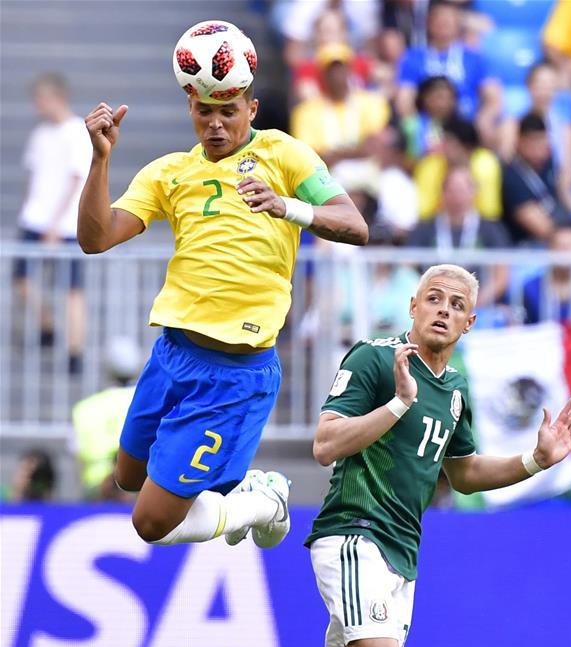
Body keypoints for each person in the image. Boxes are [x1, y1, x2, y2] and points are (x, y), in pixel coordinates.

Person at [232, 263, 571, 647]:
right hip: (353, 533)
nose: (443, 310)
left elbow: (465, 472)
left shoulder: (454, 393)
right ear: (413, 305)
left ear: (470, 322)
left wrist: (535, 460)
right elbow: (325, 443)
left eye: (456, 304)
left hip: (401, 552)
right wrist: (397, 405)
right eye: (434, 299)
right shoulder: (376, 360)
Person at [77, 80, 368, 550]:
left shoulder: (285, 154)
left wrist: (288, 207)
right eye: (205, 112)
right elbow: (96, 239)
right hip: (172, 354)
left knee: (150, 522)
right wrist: (100, 158)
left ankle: (264, 500)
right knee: (128, 476)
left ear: (251, 109)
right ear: (190, 107)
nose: (216, 124)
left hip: (234, 375)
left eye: (228, 112)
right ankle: (235, 488)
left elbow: (355, 225)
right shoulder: (168, 172)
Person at [14, 73, 92, 374]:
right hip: (36, 217)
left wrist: (55, 223)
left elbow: (76, 179)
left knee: (72, 289)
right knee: (22, 280)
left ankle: (75, 350)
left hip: (65, 224)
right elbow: (34, 176)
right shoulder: (42, 134)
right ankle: (47, 326)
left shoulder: (75, 132)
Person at [396, 0, 501, 145]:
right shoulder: (413, 57)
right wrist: (416, 127)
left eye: (448, 19)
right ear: (428, 23)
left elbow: (494, 98)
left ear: (458, 24)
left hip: (466, 123)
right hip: (427, 125)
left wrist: (484, 119)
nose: (443, 23)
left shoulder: (475, 58)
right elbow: (404, 99)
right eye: (438, 19)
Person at [406, 165, 510, 308]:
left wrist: (475, 302)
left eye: (462, 190)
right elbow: (407, 267)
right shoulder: (425, 228)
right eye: (451, 191)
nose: (457, 197)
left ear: (473, 192)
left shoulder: (491, 229)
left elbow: (501, 276)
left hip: (479, 307)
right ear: (442, 193)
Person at [499, 61, 571, 215]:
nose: (545, 91)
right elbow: (506, 158)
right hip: (523, 188)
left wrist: (566, 195)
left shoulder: (565, 126)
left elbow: (567, 170)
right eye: (540, 84)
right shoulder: (512, 122)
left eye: (550, 85)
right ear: (529, 86)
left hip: (554, 188)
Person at [289, 43, 390, 168]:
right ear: (322, 74)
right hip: (327, 175)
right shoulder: (305, 112)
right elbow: (308, 156)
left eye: (340, 67)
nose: (336, 74)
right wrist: (356, 152)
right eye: (330, 70)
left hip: (369, 168)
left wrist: (336, 155)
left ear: (350, 70)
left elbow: (374, 146)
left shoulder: (372, 102)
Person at [71, 336, 142, 500]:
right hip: (137, 486)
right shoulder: (147, 403)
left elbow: (76, 454)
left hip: (95, 490)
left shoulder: (85, 408)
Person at [413, 114, 502, 220]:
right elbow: (423, 211)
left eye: (448, 142)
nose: (441, 146)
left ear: (467, 147)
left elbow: (489, 212)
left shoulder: (485, 164)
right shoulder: (430, 165)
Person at [501, 113, 570, 245]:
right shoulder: (512, 176)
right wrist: (570, 236)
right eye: (532, 140)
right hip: (525, 247)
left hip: (556, 237)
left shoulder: (548, 168)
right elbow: (541, 228)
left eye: (541, 140)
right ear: (519, 141)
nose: (538, 147)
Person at [521, 225, 571, 324]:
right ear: (549, 249)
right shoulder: (531, 287)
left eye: (570, 246)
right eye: (559, 246)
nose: (565, 252)